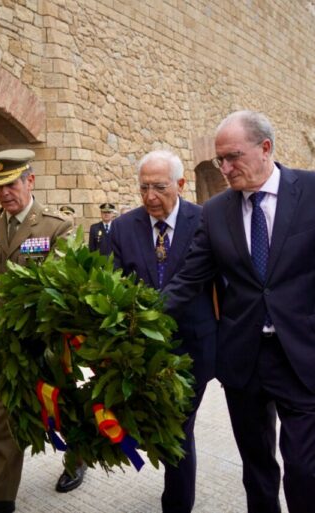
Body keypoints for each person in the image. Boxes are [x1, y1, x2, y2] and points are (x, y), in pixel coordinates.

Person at [162, 111, 315, 513]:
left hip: (305, 356)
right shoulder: (216, 210)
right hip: (243, 360)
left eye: (233, 157)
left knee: (306, 469)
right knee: (256, 468)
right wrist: (135, 319)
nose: (225, 168)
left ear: (266, 148)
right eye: (220, 159)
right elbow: (188, 280)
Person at [0, 149, 81, 513]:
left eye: (11, 185)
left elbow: (61, 288)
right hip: (7, 343)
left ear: (30, 181)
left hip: (47, 341)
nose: (4, 194)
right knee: (3, 415)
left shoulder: (57, 225)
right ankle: (0, 497)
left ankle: (77, 458)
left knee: (61, 406)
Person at [109, 150, 216, 513]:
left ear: (181, 185)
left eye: (159, 187)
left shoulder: (205, 221)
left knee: (179, 426)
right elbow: (113, 284)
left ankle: (177, 503)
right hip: (142, 351)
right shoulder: (123, 227)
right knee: (157, 424)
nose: (150, 197)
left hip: (194, 348)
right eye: (143, 188)